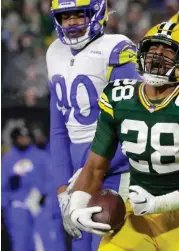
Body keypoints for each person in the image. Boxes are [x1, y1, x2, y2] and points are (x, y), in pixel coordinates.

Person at [64, 22, 179, 251]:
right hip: (137, 212)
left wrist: (157, 203)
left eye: (168, 50)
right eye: (153, 48)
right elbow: (94, 167)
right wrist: (76, 207)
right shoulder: (118, 96)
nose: (158, 54)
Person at [47, 0, 141, 250]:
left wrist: (91, 168)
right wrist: (62, 187)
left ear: (98, 12)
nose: (72, 23)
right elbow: (58, 129)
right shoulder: (54, 52)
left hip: (116, 170)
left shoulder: (116, 49)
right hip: (78, 174)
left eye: (79, 15)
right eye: (65, 17)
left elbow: (131, 122)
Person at [1, 126, 49, 251]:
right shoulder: (7, 159)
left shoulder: (41, 156)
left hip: (41, 207)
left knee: (45, 244)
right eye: (21, 138)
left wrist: (43, 194)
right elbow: (3, 187)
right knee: (20, 244)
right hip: (18, 207)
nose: (24, 140)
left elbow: (51, 179)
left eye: (26, 137)